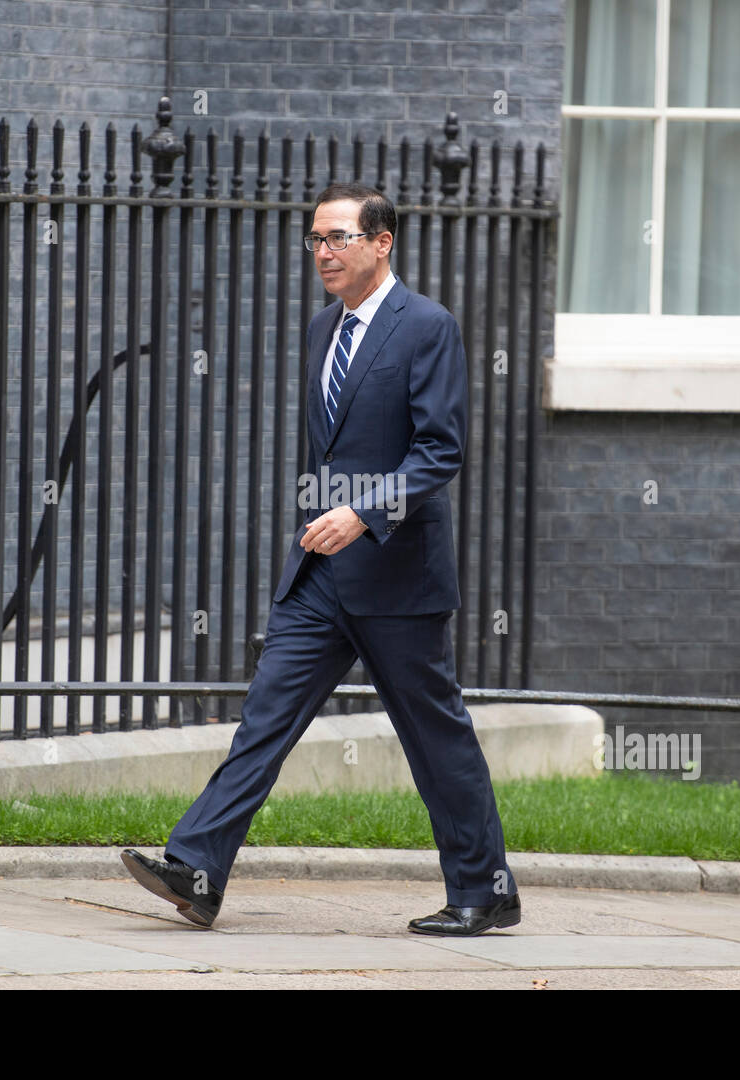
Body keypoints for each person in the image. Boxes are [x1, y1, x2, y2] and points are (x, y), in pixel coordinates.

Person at [121, 181, 519, 936]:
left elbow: (441, 452)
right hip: (320, 574)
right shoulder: (321, 329)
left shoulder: (427, 326)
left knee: (435, 736)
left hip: (398, 576)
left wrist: (363, 515)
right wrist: (323, 520)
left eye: (338, 238)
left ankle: (485, 888)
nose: (323, 253)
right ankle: (198, 867)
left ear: (381, 243)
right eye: (315, 240)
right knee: (264, 719)